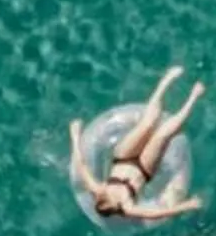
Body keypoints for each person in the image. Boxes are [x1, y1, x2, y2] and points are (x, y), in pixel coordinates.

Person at [71, 64, 207, 221]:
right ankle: (194, 96)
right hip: (144, 169)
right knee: (162, 136)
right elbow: (155, 214)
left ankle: (166, 80)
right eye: (114, 202)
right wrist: (187, 205)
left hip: (122, 156)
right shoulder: (127, 208)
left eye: (107, 196)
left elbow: (81, 166)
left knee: (148, 123)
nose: (111, 195)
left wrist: (75, 135)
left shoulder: (99, 189)